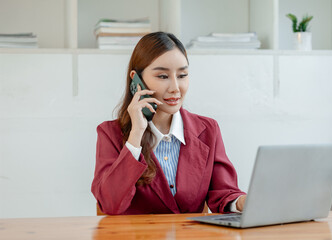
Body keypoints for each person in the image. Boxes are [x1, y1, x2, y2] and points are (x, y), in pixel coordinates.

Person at [91, 32, 246, 215]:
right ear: (136, 80)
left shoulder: (208, 130)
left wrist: (245, 202)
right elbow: (109, 203)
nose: (175, 87)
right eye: (163, 76)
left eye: (182, 75)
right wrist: (135, 137)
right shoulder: (110, 133)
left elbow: (224, 194)